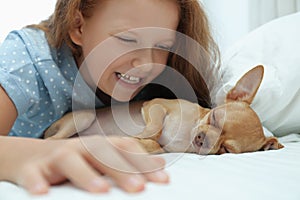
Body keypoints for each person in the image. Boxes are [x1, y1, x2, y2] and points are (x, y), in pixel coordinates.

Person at [0, 0, 219, 195]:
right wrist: (40, 153)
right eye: (127, 39)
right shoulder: (27, 61)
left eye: (162, 46)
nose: (146, 63)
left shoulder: (163, 80)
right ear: (78, 26)